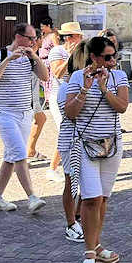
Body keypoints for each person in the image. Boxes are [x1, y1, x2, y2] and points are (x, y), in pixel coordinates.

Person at [64, 36, 128, 263]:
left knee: (102, 199)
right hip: (85, 145)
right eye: (107, 57)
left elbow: (122, 106)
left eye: (114, 57)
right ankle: (89, 253)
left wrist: (103, 89)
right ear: (93, 57)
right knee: (91, 198)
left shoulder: (119, 77)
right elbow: (70, 113)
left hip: (113, 144)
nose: (112, 62)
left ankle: (96, 244)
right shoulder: (77, 77)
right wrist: (85, 89)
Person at [0, 22, 49, 213]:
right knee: (20, 153)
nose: (33, 41)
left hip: (25, 112)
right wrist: (9, 60)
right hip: (5, 113)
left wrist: (35, 57)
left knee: (11, 156)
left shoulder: (30, 58)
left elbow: (45, 77)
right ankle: (32, 197)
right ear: (19, 37)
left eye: (35, 38)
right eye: (30, 38)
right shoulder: (0, 54)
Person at [56, 39, 90, 244]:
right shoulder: (68, 86)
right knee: (71, 182)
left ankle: (78, 215)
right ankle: (70, 223)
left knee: (87, 182)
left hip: (85, 139)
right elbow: (71, 114)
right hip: (71, 139)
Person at [45, 22, 84, 183]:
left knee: (77, 132)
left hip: (77, 94)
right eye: (74, 36)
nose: (77, 39)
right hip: (59, 95)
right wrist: (70, 57)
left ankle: (76, 166)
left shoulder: (83, 52)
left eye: (78, 36)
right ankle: (52, 169)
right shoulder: (57, 51)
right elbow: (57, 73)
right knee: (65, 131)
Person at [27, 27, 49, 163]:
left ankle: (30, 149)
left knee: (40, 119)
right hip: (28, 96)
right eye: (42, 38)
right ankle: (29, 150)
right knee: (39, 119)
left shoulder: (35, 54)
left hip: (33, 95)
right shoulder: (29, 56)